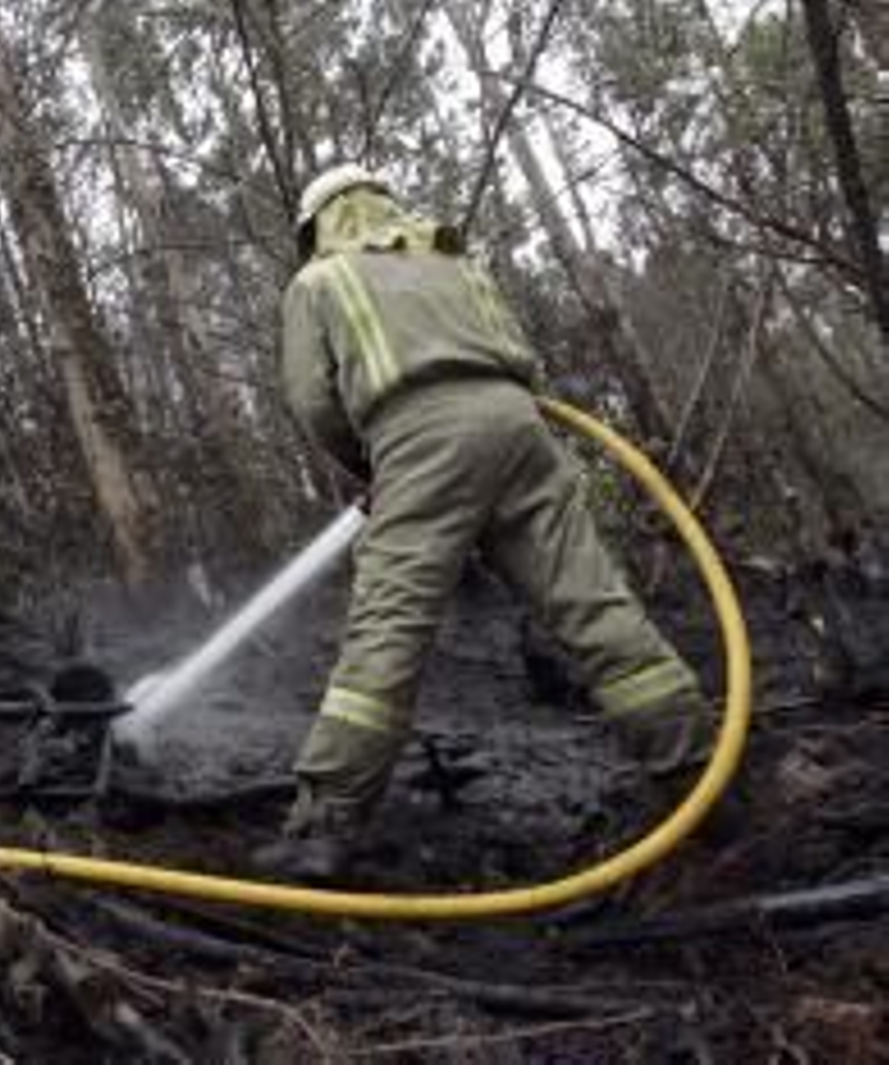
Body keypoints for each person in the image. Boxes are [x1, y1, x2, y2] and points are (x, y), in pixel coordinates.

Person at [253, 165, 714, 883]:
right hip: (519, 425)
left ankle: (327, 823)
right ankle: (695, 767)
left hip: (416, 433)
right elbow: (520, 354)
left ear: (317, 225)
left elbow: (315, 400)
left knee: (390, 621)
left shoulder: (318, 281)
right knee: (589, 598)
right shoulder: (449, 255)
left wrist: (372, 463)